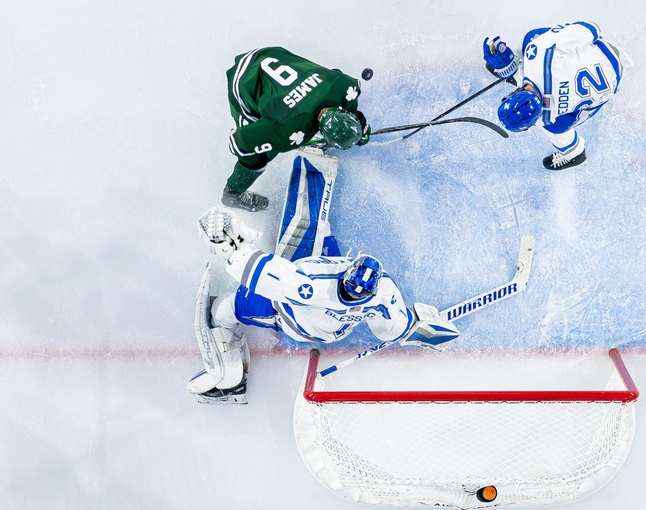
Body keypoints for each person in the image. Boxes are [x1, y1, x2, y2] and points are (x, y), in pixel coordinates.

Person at [188, 207, 459, 404]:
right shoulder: (383, 293)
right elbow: (393, 330)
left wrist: (231, 245)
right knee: (319, 228)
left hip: (290, 317)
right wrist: (426, 330)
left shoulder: (309, 288)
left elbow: (265, 272)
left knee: (222, 312)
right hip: (334, 325)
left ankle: (229, 381)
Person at [220, 46, 372, 211]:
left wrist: (361, 132)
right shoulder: (288, 131)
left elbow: (350, 106)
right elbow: (240, 142)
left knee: (279, 129)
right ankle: (232, 194)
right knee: (258, 157)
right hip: (245, 80)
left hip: (271, 54)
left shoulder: (344, 86)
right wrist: (267, 143)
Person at [482, 21, 632, 171]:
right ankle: (515, 71)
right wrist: (510, 65)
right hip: (607, 55)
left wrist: (509, 69)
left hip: (614, 84)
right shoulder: (538, 53)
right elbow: (592, 28)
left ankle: (574, 152)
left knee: (556, 127)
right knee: (530, 39)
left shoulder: (545, 119)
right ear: (514, 93)